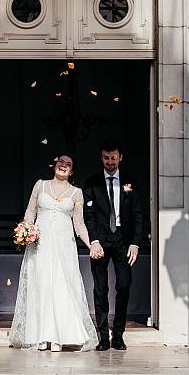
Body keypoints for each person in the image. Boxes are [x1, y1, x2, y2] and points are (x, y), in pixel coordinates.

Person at [9, 155, 99, 351]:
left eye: (68, 164)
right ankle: (40, 336)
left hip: (64, 247)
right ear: (55, 165)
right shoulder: (40, 185)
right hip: (40, 245)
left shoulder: (76, 193)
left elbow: (79, 223)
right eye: (61, 162)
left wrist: (91, 244)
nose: (63, 166)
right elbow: (30, 211)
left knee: (60, 287)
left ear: (72, 171)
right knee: (40, 285)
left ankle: (58, 336)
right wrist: (25, 230)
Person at [80, 141, 148, 351]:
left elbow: (137, 215)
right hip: (100, 241)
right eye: (106, 158)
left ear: (120, 158)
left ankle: (118, 334)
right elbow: (88, 215)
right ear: (101, 158)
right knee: (100, 288)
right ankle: (103, 336)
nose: (110, 162)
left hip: (123, 241)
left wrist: (135, 242)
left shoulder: (130, 182)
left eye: (113, 158)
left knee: (124, 285)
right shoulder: (92, 183)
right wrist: (94, 241)